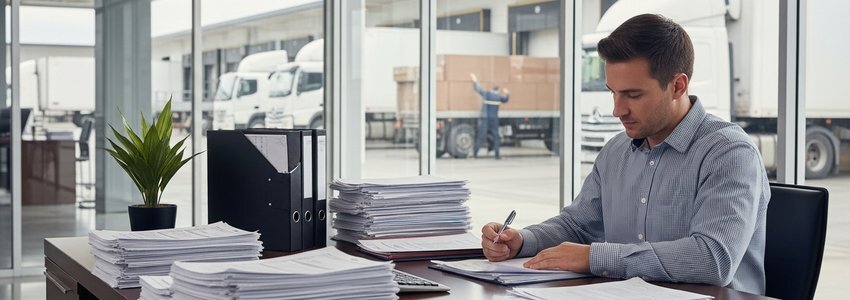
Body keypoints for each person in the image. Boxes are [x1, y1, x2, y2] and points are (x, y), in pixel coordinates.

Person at [480, 14, 770, 295]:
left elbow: (712, 259)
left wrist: (596, 257)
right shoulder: (616, 151)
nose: (618, 110)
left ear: (678, 86)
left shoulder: (728, 153)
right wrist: (521, 240)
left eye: (633, 95)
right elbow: (576, 226)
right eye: (613, 93)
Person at [470, 73, 509, 159]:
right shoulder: (498, 97)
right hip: (494, 120)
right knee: (496, 137)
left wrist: (474, 80)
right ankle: (497, 156)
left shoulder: (487, 94)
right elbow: (506, 99)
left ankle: (474, 155)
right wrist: (507, 93)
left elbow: (478, 89)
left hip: (485, 119)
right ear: (498, 91)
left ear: (492, 90)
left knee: (480, 137)